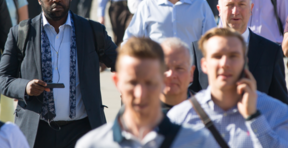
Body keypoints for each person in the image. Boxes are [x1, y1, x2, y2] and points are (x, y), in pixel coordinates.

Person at [0, 0, 118, 148]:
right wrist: (26, 87)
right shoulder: (22, 33)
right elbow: (1, 79)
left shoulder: (92, 31)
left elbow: (124, 64)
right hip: (37, 131)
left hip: (83, 130)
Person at [75, 37, 216, 148]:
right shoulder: (92, 144)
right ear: (117, 82)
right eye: (133, 82)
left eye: (150, 83)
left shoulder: (199, 142)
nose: (140, 94)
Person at [168, 27, 288, 147]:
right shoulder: (179, 118)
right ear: (204, 65)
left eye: (233, 56)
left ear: (245, 62)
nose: (225, 63)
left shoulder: (277, 113)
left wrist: (254, 118)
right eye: (217, 56)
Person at [191, 0, 288, 104]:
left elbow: (280, 103)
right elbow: (191, 96)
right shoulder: (199, 49)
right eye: (230, 5)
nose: (235, 11)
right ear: (219, 10)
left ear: (251, 9)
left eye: (241, 5)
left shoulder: (271, 52)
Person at [160, 38, 195, 114]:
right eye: (165, 68)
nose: (171, 75)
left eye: (179, 68)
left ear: (191, 73)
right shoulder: (140, 111)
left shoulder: (208, 111)